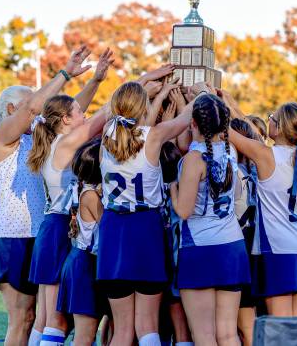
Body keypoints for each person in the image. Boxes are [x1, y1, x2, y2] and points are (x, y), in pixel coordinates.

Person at [0, 46, 93, 346]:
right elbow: (34, 109)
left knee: (42, 317)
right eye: (32, 100)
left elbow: (70, 117)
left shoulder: (37, 138)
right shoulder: (1, 136)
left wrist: (94, 82)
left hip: (37, 232)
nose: (39, 105)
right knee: (22, 318)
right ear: (11, 109)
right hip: (10, 236)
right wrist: (64, 74)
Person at [97, 80, 208, 346]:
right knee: (147, 324)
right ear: (143, 107)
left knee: (121, 330)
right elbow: (185, 118)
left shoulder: (106, 134)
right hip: (145, 227)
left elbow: (123, 118)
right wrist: (202, 94)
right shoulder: (153, 136)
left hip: (113, 229)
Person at [27, 48, 114, 346]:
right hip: (58, 229)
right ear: (65, 120)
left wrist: (97, 81)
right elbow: (101, 116)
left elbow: (82, 109)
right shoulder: (63, 142)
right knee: (54, 318)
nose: (84, 113)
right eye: (78, 113)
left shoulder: (56, 136)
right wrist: (138, 88)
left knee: (49, 317)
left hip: (59, 228)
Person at [224, 97, 297, 317]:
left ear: (278, 128)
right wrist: (231, 104)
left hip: (277, 249)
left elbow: (230, 133)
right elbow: (253, 136)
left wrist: (208, 101)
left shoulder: (266, 154)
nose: (269, 121)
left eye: (272, 119)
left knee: (280, 326)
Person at [170, 93, 250, 346]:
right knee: (227, 334)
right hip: (232, 246)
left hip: (201, 248)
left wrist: (173, 189)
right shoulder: (231, 152)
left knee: (204, 335)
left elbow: (183, 211)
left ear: (193, 123)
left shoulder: (194, 159)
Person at [57, 138, 110, 346]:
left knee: (103, 326)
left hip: (87, 262)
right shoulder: (90, 195)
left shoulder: (88, 189)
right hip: (84, 264)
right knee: (85, 335)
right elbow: (107, 225)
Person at [159, 141, 193, 346]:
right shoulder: (180, 190)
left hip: (157, 260)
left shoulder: (151, 188)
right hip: (177, 258)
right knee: (182, 328)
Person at [230, 118, 258, 346]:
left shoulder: (233, 172)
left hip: (238, 246)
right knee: (248, 328)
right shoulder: (257, 169)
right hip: (253, 244)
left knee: (238, 327)